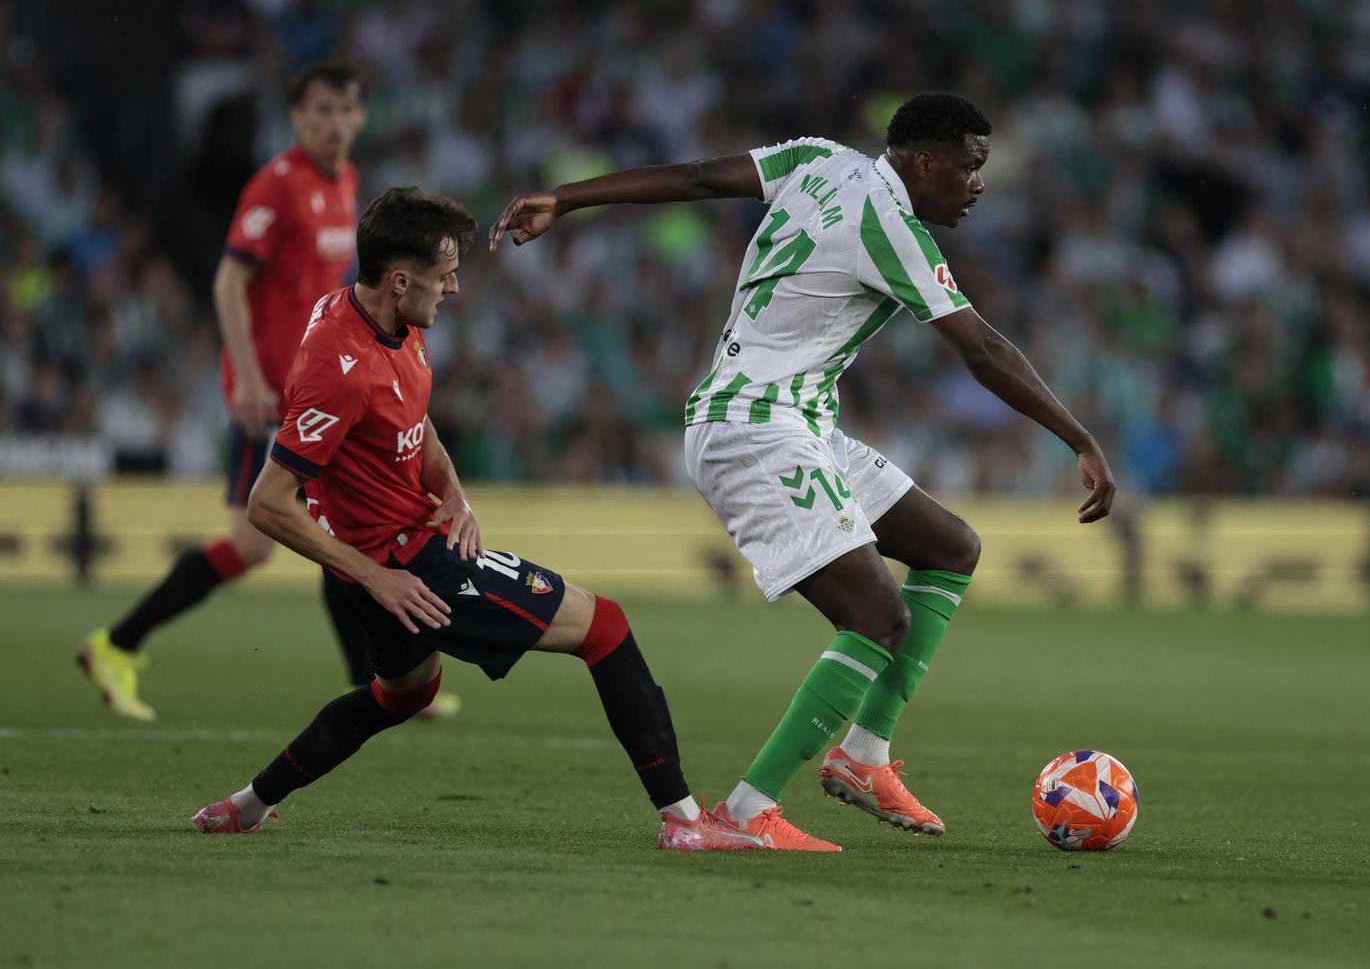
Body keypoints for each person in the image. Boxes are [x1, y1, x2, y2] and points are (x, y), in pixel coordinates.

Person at [490, 91, 1116, 851]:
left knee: (950, 547)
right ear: (925, 162)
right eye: (970, 166)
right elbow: (982, 351)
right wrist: (1078, 437)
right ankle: (746, 810)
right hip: (755, 429)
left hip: (800, 422)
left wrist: (566, 197)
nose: (979, 184)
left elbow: (692, 179)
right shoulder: (894, 229)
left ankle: (863, 755)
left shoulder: (818, 158)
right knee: (878, 617)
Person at [192, 186, 731, 851]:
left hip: (395, 560)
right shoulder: (339, 368)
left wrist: (453, 493)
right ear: (400, 279)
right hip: (408, 566)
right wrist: (377, 577)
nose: (453, 288)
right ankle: (682, 820)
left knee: (402, 698)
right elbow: (268, 503)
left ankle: (246, 805)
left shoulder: (390, 320)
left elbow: (413, 422)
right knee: (607, 628)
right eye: (444, 275)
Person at [75, 62, 458, 721]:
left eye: (345, 110)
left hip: (320, 391)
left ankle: (376, 679)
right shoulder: (276, 186)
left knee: (335, 530)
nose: (334, 123)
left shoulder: (346, 185)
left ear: (360, 117)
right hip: (274, 394)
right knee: (259, 539)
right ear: (296, 117)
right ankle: (117, 642)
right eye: (321, 110)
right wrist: (247, 376)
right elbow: (229, 282)